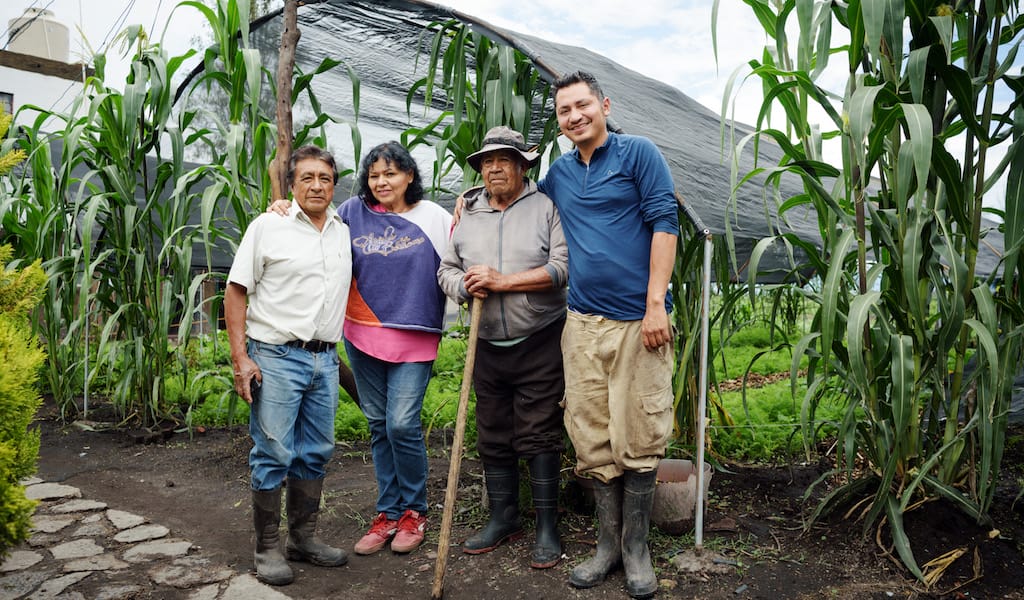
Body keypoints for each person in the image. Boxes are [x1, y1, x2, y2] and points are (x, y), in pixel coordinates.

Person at [271, 141, 452, 555]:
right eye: (374, 175)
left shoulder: (436, 217)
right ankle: (388, 513)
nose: (381, 181)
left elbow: (463, 251)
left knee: (402, 424)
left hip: (415, 336)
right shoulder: (352, 212)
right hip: (362, 335)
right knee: (377, 425)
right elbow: (312, 228)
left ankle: (415, 512)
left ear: (409, 176)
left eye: (390, 173)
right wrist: (280, 208)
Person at [543, 71, 679, 599]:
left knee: (640, 428)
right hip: (581, 323)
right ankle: (606, 547)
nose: (574, 117)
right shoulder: (558, 173)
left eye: (582, 106)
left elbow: (665, 223)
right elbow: (523, 202)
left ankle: (636, 547)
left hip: (636, 322)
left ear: (603, 104)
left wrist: (655, 306)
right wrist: (468, 198)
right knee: (591, 431)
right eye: (564, 111)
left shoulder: (637, 154)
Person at [437, 126, 569, 569]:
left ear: (522, 166)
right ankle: (504, 517)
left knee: (539, 431)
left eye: (503, 160)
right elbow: (446, 268)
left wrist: (502, 282)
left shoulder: (546, 208)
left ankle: (548, 526)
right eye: (486, 162)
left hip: (539, 338)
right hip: (486, 343)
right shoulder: (468, 212)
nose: (494, 168)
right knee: (492, 432)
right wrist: (463, 286)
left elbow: (561, 269)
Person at [225, 145, 352, 586]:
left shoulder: (342, 228)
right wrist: (241, 358)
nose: (317, 185)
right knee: (273, 451)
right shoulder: (269, 225)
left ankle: (304, 539)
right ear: (291, 184)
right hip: (276, 356)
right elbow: (236, 290)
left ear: (335, 185)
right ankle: (266, 547)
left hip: (324, 359)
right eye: (308, 178)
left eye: (325, 178)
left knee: (316, 451)